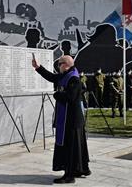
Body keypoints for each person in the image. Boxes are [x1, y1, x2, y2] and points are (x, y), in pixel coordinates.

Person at [32, 55, 90, 184]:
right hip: (71, 119)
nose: (58, 67)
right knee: (75, 147)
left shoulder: (73, 78)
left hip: (71, 120)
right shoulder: (67, 75)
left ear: (65, 65)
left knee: (70, 147)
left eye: (59, 65)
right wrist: (38, 67)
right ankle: (78, 169)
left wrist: (57, 94)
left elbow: (70, 97)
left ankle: (69, 176)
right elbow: (52, 78)